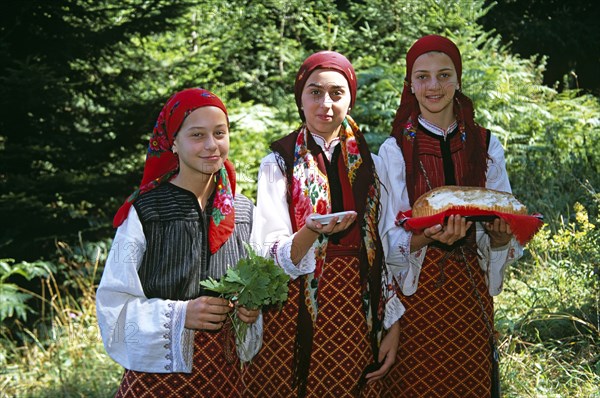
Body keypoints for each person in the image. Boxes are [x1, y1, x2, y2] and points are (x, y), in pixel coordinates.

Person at [243, 51, 404, 397]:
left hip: (358, 311)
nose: (325, 103)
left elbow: (387, 249)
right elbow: (267, 250)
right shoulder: (279, 163)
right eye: (315, 92)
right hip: (294, 313)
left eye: (337, 93)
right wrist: (310, 231)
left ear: (350, 99)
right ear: (300, 99)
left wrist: (391, 323)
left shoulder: (373, 166)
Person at [378, 35, 524, 397]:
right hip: (416, 300)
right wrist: (427, 236)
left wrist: (502, 236)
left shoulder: (486, 143)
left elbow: (503, 220)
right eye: (422, 77)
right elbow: (385, 237)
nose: (433, 86)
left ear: (458, 79)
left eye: (444, 75)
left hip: (470, 296)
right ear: (410, 85)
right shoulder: (395, 150)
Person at [96, 88, 261, 397]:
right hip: (157, 380)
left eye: (220, 133)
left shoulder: (243, 212)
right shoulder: (146, 212)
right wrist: (182, 314)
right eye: (197, 135)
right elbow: (112, 305)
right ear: (173, 142)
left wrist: (250, 312)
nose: (212, 145)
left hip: (224, 379)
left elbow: (258, 289)